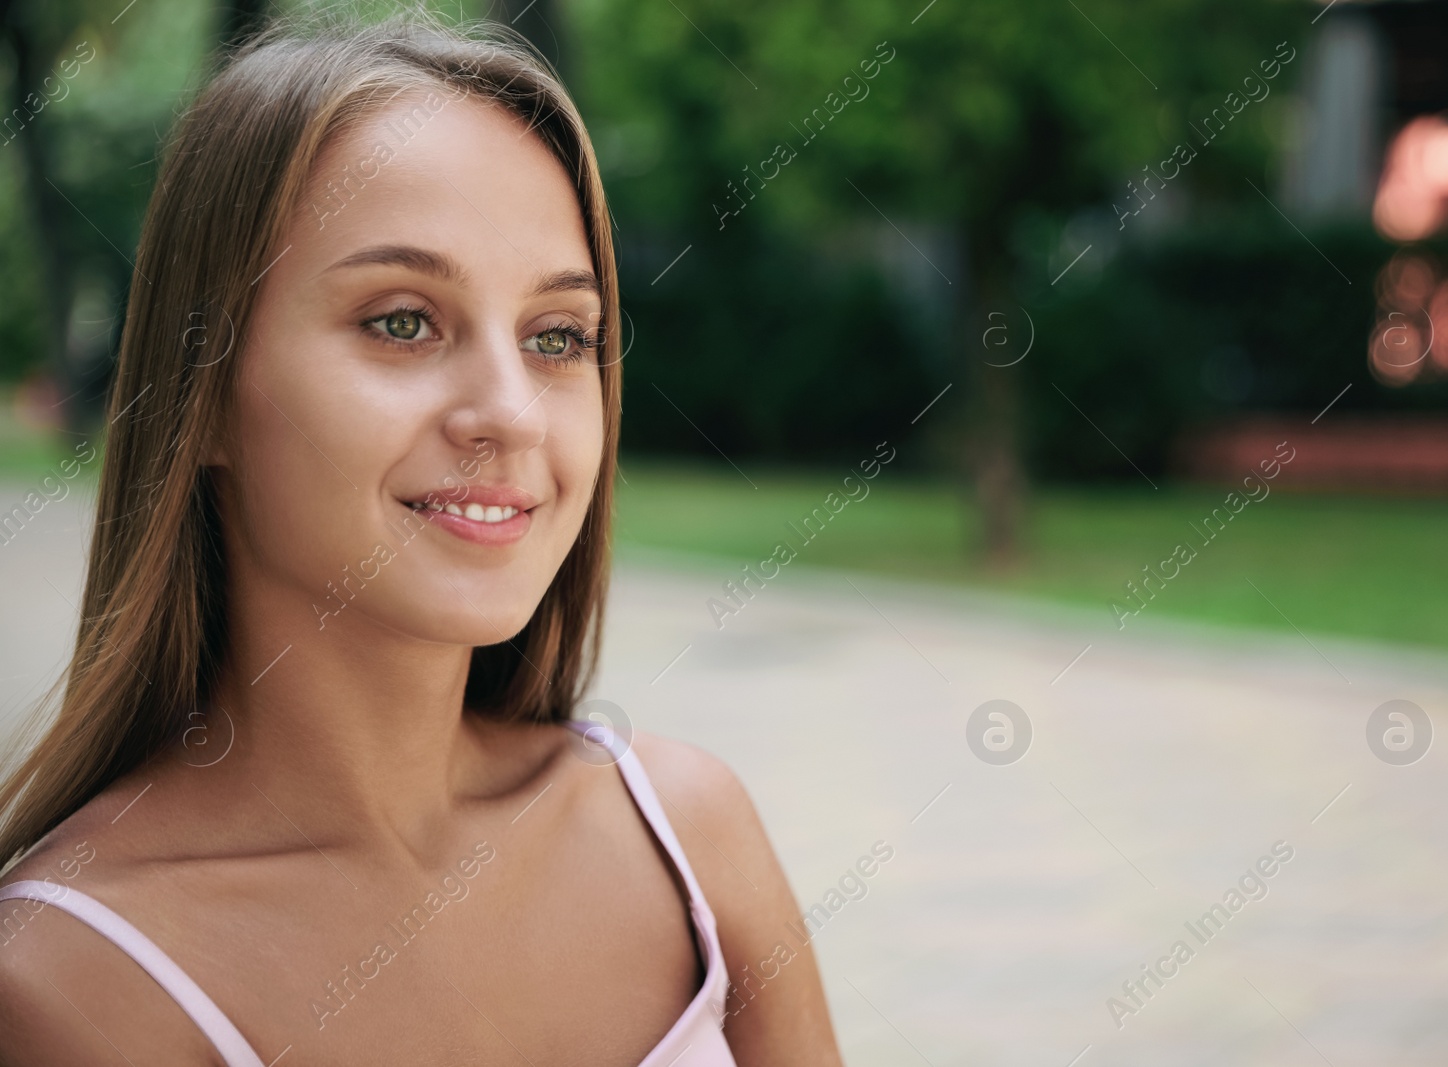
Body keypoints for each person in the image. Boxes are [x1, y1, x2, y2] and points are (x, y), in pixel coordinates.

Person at [0, 16, 842, 1066]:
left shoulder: (688, 838)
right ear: (201, 396)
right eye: (403, 320)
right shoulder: (71, 980)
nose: (511, 411)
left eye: (556, 337)